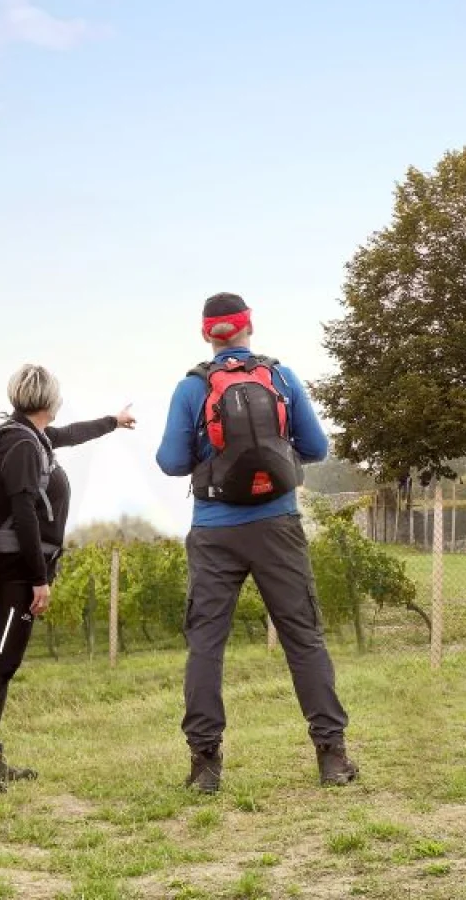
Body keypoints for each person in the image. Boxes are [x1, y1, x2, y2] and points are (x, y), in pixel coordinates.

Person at [156, 292, 356, 793]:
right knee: (303, 637)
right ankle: (332, 757)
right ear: (248, 327)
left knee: (206, 644)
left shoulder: (191, 388)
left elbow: (171, 461)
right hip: (278, 526)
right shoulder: (282, 379)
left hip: (214, 530)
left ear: (206, 333)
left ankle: (206, 764)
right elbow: (317, 448)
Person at [0, 365, 135, 795]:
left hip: (11, 567)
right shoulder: (23, 445)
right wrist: (38, 578)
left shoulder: (29, 437)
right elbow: (25, 515)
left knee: (4, 663)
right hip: (13, 572)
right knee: (1, 664)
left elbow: (69, 435)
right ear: (50, 399)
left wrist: (112, 423)